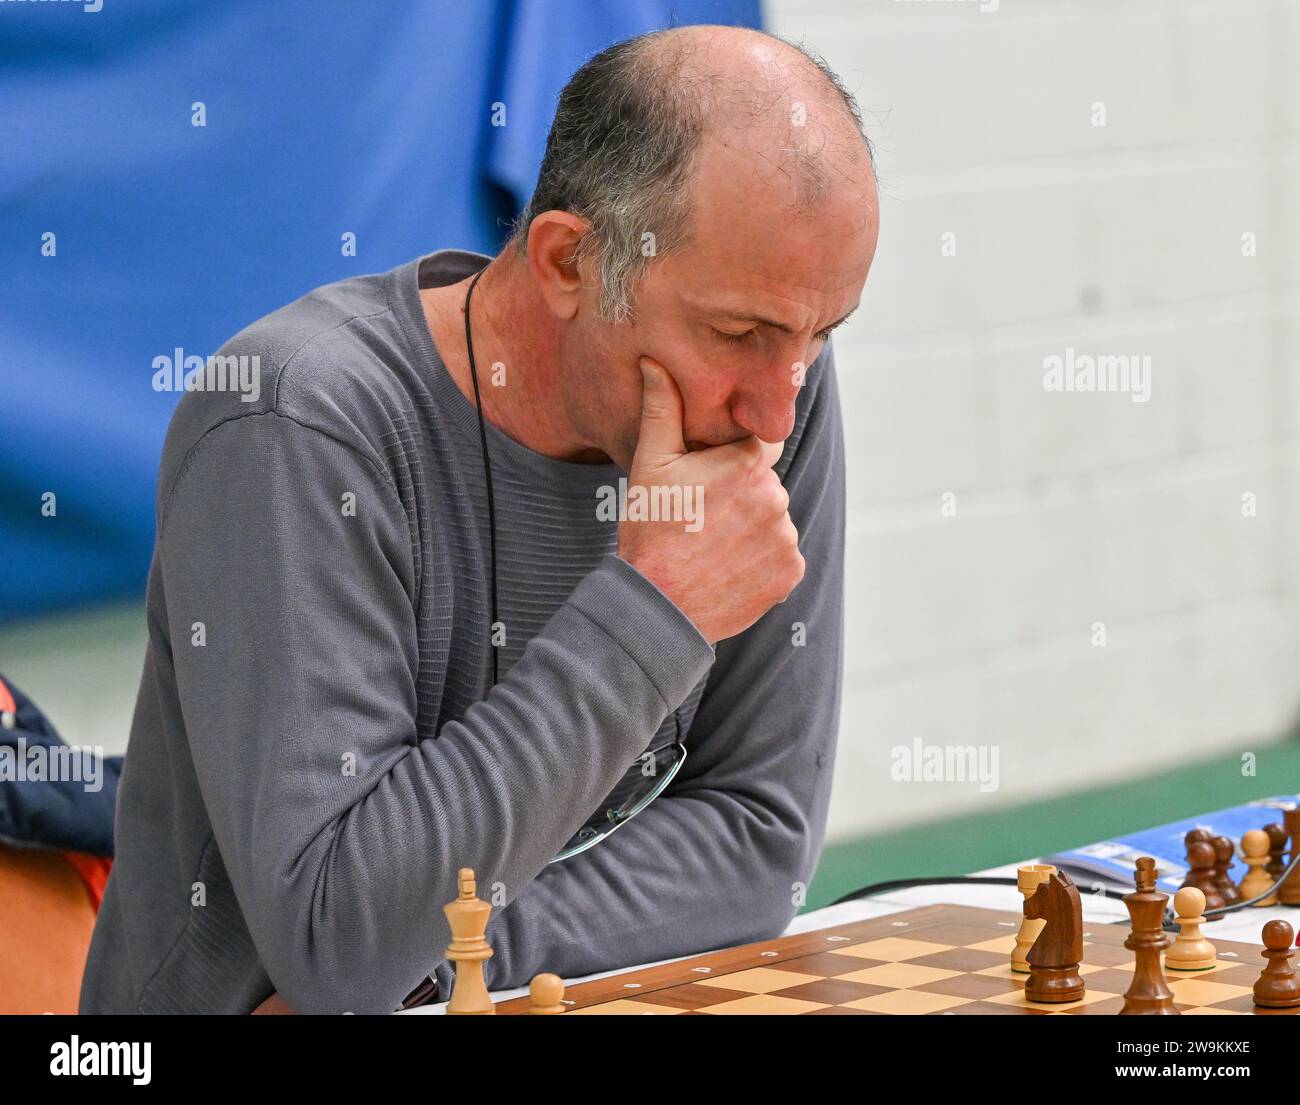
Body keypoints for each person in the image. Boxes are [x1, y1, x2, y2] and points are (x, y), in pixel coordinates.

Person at [79, 23, 880, 1014]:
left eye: (819, 334)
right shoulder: (296, 424)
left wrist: (446, 956)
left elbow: (760, 841)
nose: (777, 410)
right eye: (740, 334)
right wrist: (653, 608)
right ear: (564, 263)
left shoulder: (766, 380)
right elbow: (340, 930)